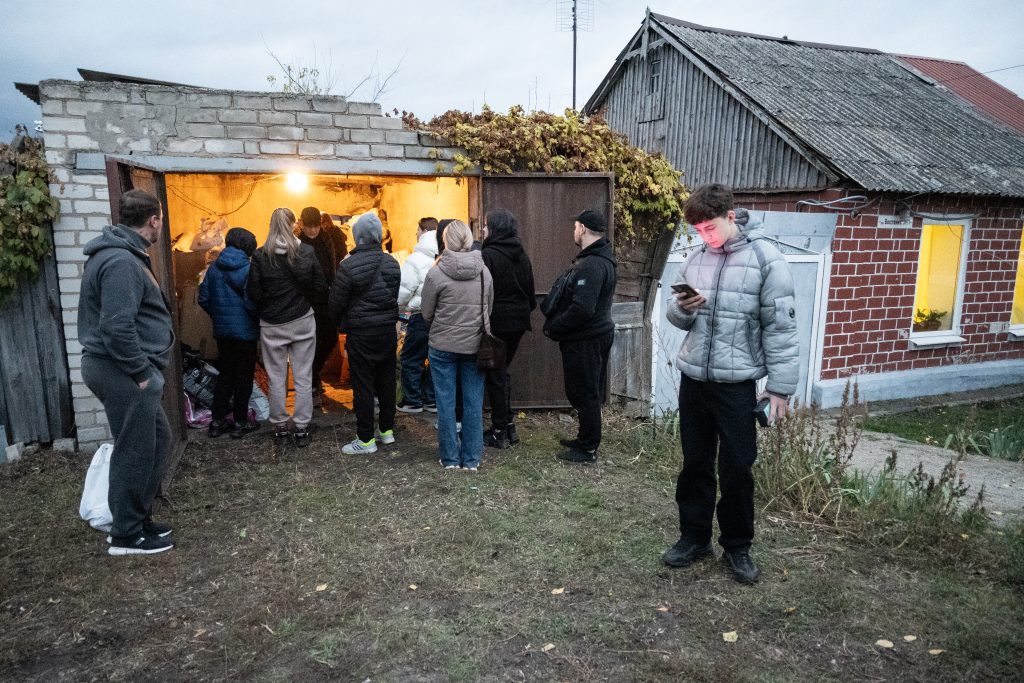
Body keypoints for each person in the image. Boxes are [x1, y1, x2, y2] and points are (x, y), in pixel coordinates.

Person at [661, 183, 798, 585]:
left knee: (738, 467)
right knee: (695, 464)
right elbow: (677, 315)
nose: (705, 236)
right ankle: (694, 537)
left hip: (737, 386)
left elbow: (781, 329)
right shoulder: (695, 260)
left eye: (710, 227)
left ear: (731, 216)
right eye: (698, 230)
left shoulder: (766, 260)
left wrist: (779, 389)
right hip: (695, 380)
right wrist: (682, 309)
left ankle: (737, 547)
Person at [79, 189, 175, 555]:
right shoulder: (120, 262)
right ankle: (126, 536)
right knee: (134, 449)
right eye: (161, 220)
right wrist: (141, 373)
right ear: (154, 219)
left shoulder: (123, 254)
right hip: (121, 370)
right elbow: (116, 327)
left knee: (156, 441)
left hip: (123, 370)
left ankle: (137, 518)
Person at [542, 209, 617, 464]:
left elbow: (583, 309)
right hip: (590, 337)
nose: (574, 231)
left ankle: (587, 448)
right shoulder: (596, 260)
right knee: (584, 391)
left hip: (587, 338)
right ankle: (584, 438)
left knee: (585, 393)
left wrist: (556, 328)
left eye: (575, 227)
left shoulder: (594, 265)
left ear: (583, 228)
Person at [247, 207, 327, 448]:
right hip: (302, 320)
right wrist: (306, 303)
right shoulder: (306, 252)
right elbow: (320, 287)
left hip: (272, 324)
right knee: (303, 376)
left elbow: (253, 292)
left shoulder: (261, 255)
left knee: (276, 377)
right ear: (294, 225)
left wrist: (268, 307)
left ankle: (280, 426)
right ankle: (301, 427)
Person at [421, 220, 493, 471]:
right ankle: (471, 459)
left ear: (445, 241)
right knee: (473, 401)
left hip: (442, 345)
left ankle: (450, 457)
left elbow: (426, 312)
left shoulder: (436, 272)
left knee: (445, 401)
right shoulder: (483, 270)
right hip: (475, 345)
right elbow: (488, 308)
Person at [329, 212, 402, 455]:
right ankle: (387, 431)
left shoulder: (347, 266)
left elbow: (335, 304)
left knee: (363, 386)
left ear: (357, 236)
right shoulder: (392, 263)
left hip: (361, 333)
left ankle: (365, 439)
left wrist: (343, 326)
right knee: (386, 381)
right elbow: (392, 294)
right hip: (387, 332)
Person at [480, 209, 536, 449]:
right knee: (500, 372)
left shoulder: (488, 255)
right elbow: (531, 291)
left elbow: (484, 293)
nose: (482, 230)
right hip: (519, 322)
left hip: (497, 323)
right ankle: (508, 426)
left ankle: (500, 430)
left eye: (485, 226)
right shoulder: (521, 255)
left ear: (494, 229)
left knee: (494, 374)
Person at [198, 227, 260, 439]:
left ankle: (217, 422)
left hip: (223, 332)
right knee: (244, 377)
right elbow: (254, 300)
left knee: (225, 375)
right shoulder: (249, 269)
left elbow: (203, 298)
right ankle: (240, 422)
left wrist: (219, 316)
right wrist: (252, 317)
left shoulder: (214, 268)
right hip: (247, 333)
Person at [296, 206, 341, 406]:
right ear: (301, 224)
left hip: (326, 298)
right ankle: (312, 384)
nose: (313, 231)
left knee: (330, 339)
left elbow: (332, 266)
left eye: (316, 227)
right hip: (306, 300)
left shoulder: (326, 239)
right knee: (309, 343)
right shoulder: (298, 244)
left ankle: (314, 374)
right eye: (309, 227)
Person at [397, 217, 439, 413]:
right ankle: (431, 399)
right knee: (436, 357)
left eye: (417, 230)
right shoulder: (444, 255)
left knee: (411, 357)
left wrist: (399, 309)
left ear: (423, 232)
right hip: (440, 316)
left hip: (419, 314)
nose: (415, 234)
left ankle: (412, 400)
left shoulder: (415, 259)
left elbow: (404, 292)